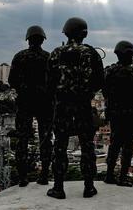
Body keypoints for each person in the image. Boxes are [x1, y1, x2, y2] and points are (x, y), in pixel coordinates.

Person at [46, 17, 104, 199]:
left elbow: (49, 82)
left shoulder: (56, 53)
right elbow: (99, 80)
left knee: (60, 146)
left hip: (62, 105)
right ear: (84, 34)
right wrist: (87, 92)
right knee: (87, 146)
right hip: (83, 105)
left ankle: (58, 187)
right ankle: (89, 187)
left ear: (66, 32)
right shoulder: (91, 53)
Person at [9, 25, 53, 187]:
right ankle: (44, 175)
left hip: (25, 102)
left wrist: (24, 88)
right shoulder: (48, 57)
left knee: (23, 139)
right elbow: (55, 81)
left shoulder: (20, 57)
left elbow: (12, 81)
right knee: (46, 139)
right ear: (42, 40)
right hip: (45, 103)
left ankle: (22, 177)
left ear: (28, 39)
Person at [103, 41, 133, 187]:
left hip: (115, 113)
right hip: (131, 114)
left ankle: (109, 175)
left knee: (114, 144)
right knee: (127, 147)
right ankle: (122, 177)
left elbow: (104, 91)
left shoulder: (109, 71)